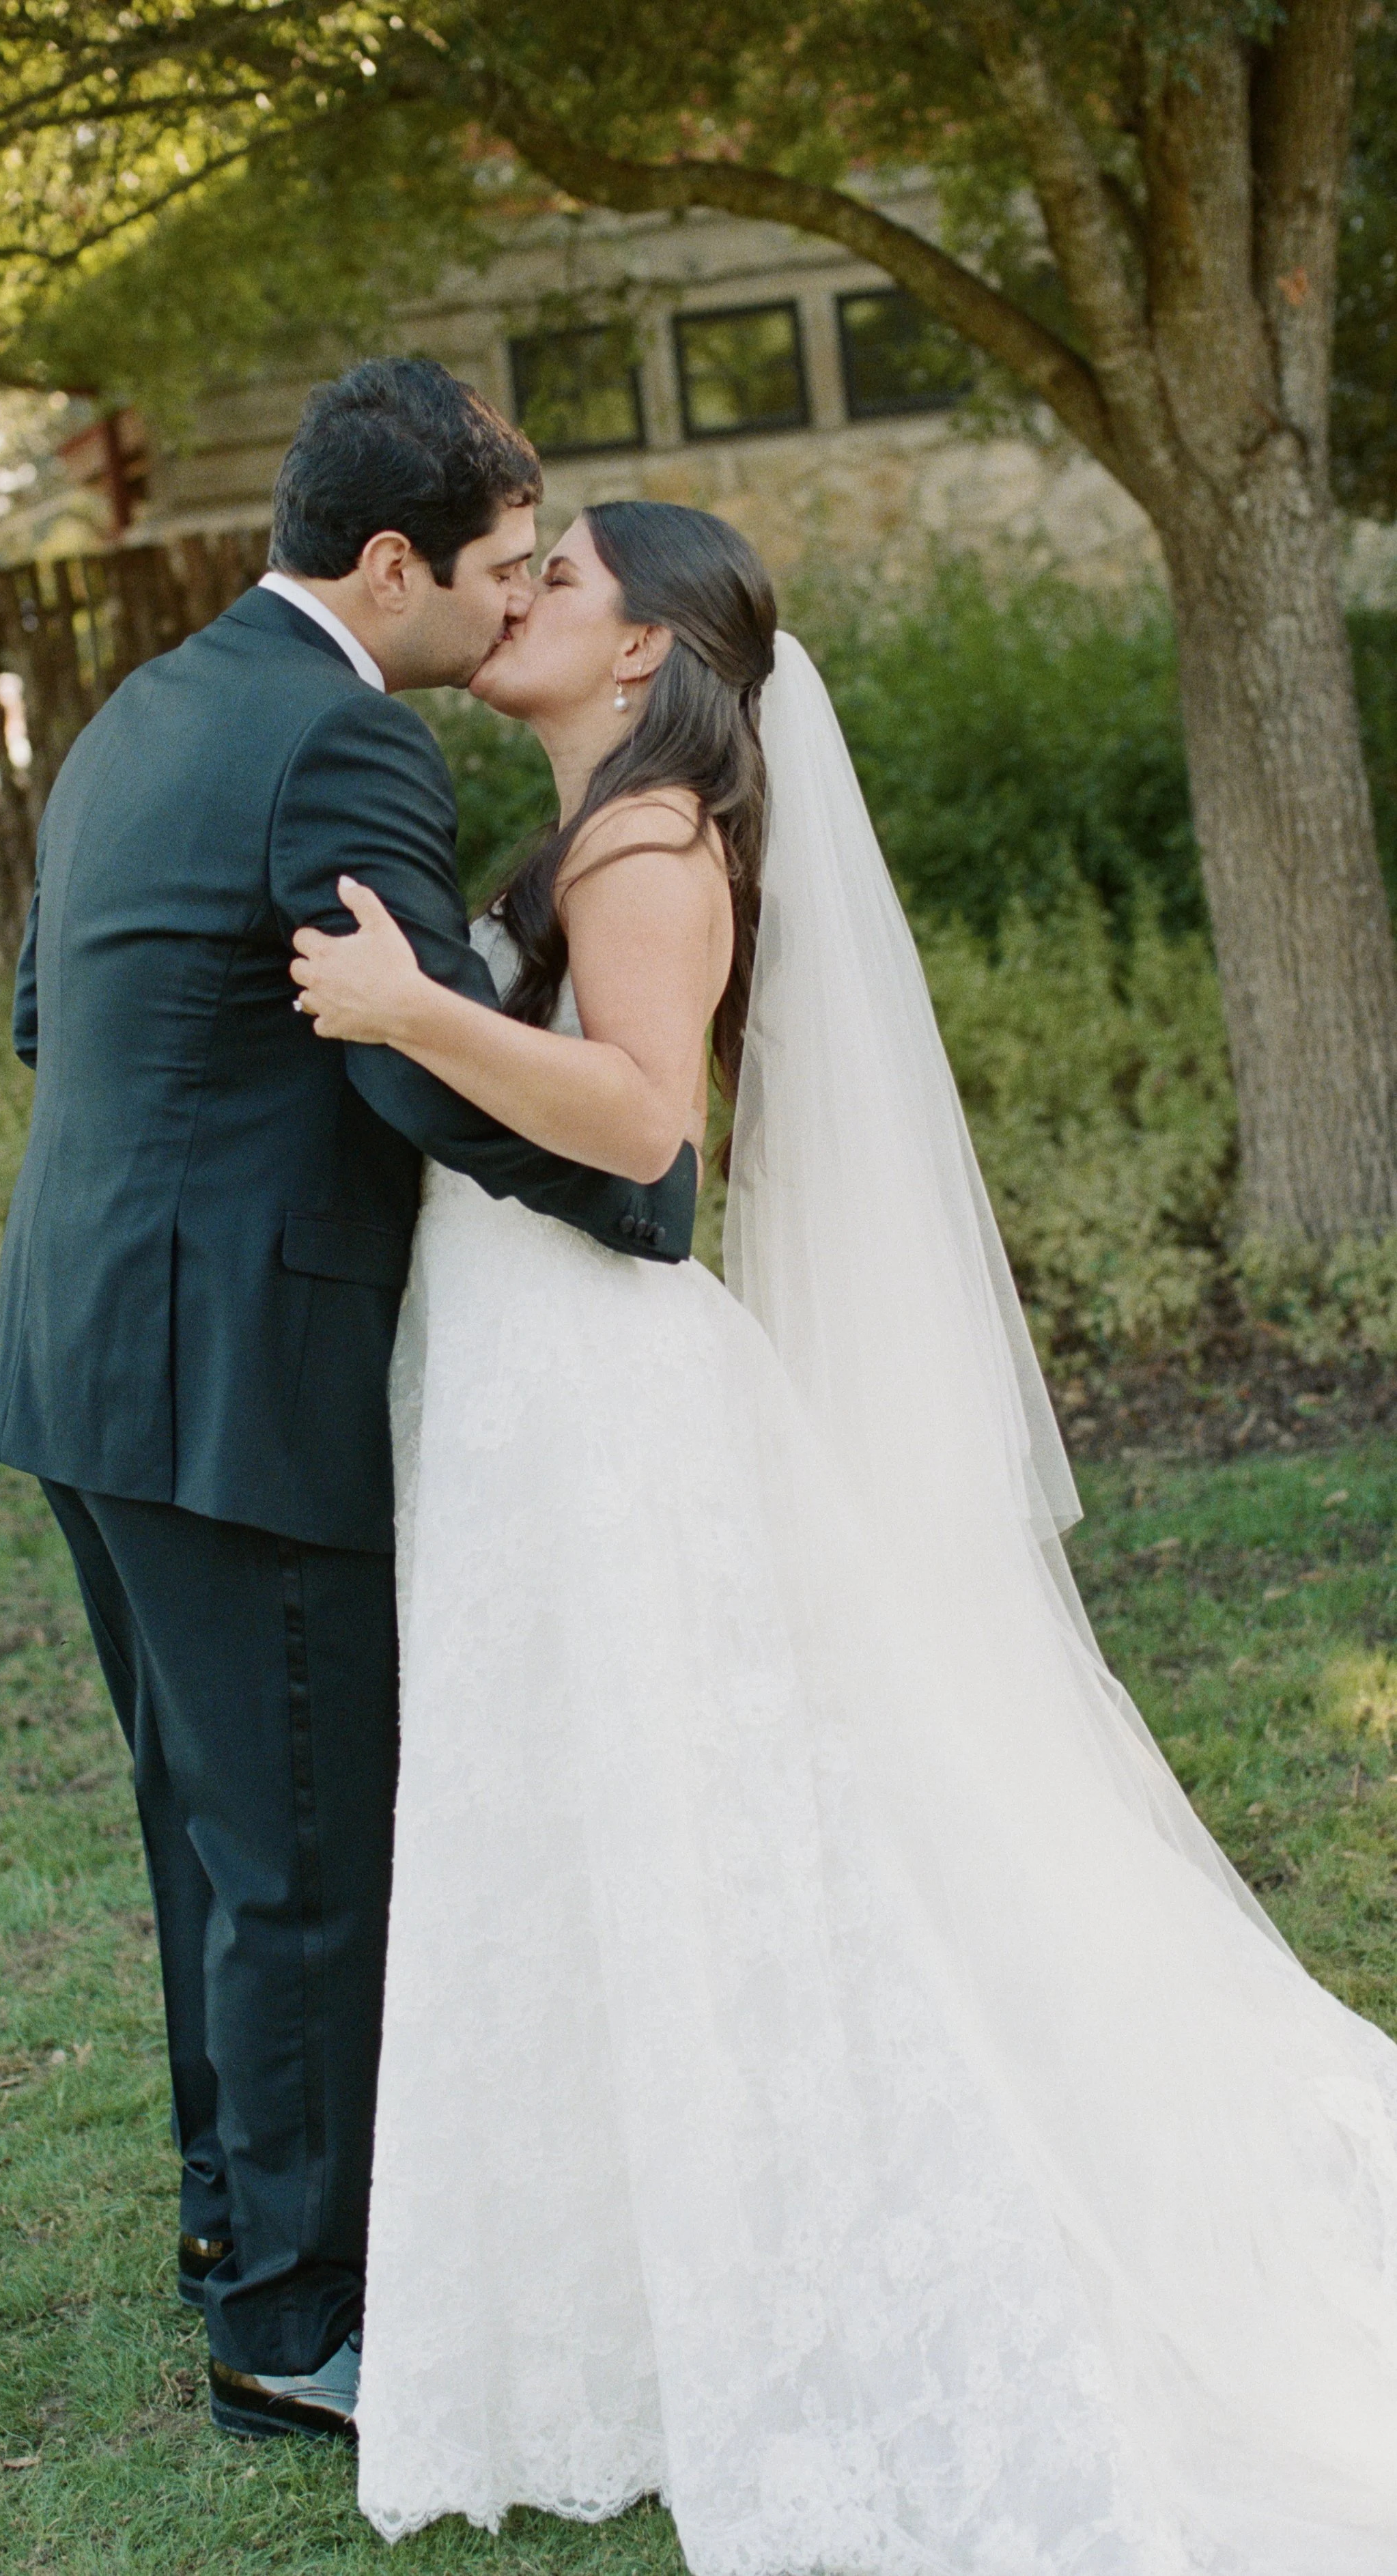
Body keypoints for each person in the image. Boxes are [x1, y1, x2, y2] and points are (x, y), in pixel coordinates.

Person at [290, 498, 1397, 2575]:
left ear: (642, 658)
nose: (517, 595)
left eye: (562, 581)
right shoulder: (612, 827)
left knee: (704, 1844)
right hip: (546, 1389)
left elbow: (640, 1122)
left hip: (600, 1397)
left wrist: (408, 1007)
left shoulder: (639, 841)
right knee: (606, 1842)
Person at [0, 366, 698, 2443]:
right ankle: (293, 2323)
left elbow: (52, 1006)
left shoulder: (144, 704)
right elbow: (406, 1064)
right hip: (234, 1373)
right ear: (383, 566)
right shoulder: (345, 735)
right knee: (302, 1850)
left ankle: (233, 2227)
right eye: (486, 573)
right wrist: (635, 1187)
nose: (500, 615)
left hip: (82, 1347)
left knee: (207, 1835)